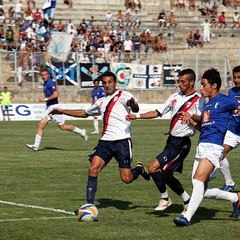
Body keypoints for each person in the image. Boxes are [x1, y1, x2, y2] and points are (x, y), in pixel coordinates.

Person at [50, 71, 150, 206]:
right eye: (105, 83)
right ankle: (89, 206)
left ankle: (139, 169)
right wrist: (62, 111)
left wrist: (132, 105)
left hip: (122, 141)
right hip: (105, 142)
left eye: (110, 82)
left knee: (126, 178)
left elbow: (136, 109)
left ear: (115, 83)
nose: (107, 85)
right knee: (93, 169)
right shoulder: (101, 101)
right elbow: (84, 113)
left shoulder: (124, 95)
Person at [126, 69, 204, 214]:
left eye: (183, 82)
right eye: (179, 81)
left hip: (182, 144)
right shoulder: (174, 97)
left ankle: (165, 199)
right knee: (166, 175)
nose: (179, 84)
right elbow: (157, 112)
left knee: (153, 168)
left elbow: (203, 122)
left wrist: (191, 117)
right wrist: (137, 116)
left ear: (191, 82)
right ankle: (187, 201)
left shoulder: (199, 100)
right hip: (171, 141)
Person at [173, 68, 240, 227]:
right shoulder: (207, 105)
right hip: (201, 147)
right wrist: (190, 117)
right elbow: (203, 124)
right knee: (201, 189)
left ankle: (187, 217)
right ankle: (236, 198)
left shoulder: (225, 100)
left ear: (214, 86)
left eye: (203, 85)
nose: (200, 88)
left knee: (198, 181)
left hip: (214, 147)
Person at [26, 69, 87, 151]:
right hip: (50, 107)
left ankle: (36, 145)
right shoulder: (46, 83)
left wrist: (45, 99)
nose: (43, 76)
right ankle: (81, 132)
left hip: (54, 107)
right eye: (42, 75)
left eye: (45, 75)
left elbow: (56, 95)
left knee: (47, 125)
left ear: (48, 75)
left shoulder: (50, 83)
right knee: (57, 126)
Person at [220, 65, 240, 192]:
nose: (237, 80)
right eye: (235, 77)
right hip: (234, 130)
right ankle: (230, 182)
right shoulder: (231, 92)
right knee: (219, 153)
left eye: (239, 77)